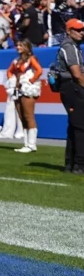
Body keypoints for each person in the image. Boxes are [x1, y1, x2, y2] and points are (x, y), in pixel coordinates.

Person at [50, 19, 84, 173]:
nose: (81, 32)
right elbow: (77, 74)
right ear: (69, 31)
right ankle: (79, 164)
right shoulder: (69, 47)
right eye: (78, 29)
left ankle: (70, 164)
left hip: (69, 87)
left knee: (74, 126)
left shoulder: (71, 46)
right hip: (72, 87)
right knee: (80, 127)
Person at [8, 40, 43, 153]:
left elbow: (39, 70)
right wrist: (12, 79)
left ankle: (32, 144)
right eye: (17, 45)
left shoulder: (31, 59)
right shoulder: (16, 60)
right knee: (22, 117)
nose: (18, 47)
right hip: (18, 90)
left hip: (28, 90)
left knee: (29, 116)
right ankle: (26, 144)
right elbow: (9, 71)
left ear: (27, 47)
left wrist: (30, 81)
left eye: (21, 45)